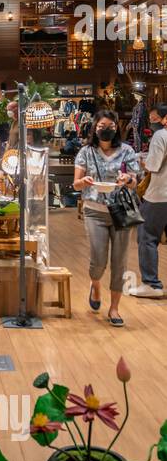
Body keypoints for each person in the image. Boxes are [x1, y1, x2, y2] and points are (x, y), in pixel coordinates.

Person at [74, 109, 140, 325]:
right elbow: (76, 183)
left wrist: (127, 179)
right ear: (95, 128)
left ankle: (114, 309)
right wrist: (83, 182)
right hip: (94, 211)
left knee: (119, 261)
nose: (106, 130)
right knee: (98, 259)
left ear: (116, 128)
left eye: (110, 126)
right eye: (102, 126)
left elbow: (134, 181)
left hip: (121, 211)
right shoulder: (86, 152)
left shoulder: (127, 151)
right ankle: (95, 285)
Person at [136, 100, 167, 294]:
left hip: (159, 195)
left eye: (155, 117)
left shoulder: (160, 135)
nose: (152, 120)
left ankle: (151, 284)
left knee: (147, 236)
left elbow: (153, 166)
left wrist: (142, 161)